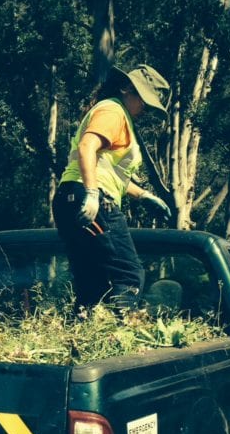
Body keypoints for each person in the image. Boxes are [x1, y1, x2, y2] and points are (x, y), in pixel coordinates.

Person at [52, 64, 172, 313]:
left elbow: (110, 172)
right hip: (92, 200)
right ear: (128, 89)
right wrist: (93, 195)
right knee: (128, 274)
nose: (145, 110)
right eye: (144, 102)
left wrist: (144, 195)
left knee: (92, 283)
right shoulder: (114, 111)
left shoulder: (111, 111)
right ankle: (119, 336)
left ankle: (85, 336)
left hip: (71, 198)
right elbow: (87, 147)